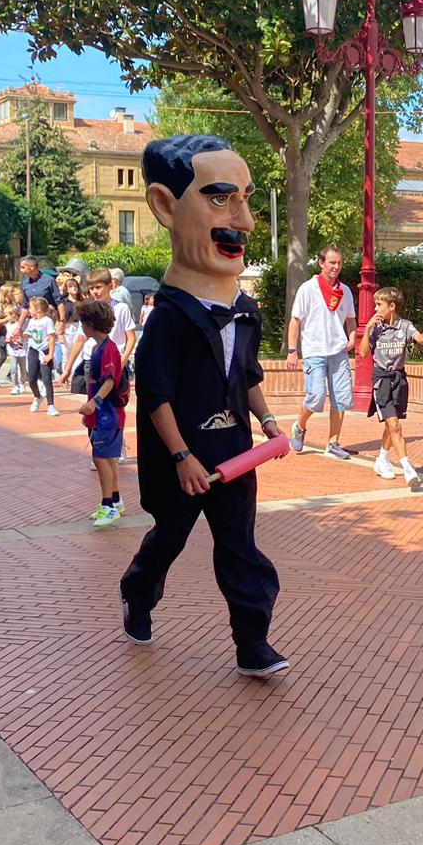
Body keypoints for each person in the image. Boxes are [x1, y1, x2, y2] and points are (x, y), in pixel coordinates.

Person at [119, 134, 288, 677]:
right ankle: (138, 594)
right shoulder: (168, 316)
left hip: (234, 451)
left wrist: (266, 421)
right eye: (220, 198)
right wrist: (182, 458)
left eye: (245, 199)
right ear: (167, 206)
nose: (244, 221)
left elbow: (247, 375)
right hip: (184, 461)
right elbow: (156, 394)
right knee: (168, 538)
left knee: (240, 549)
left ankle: (252, 646)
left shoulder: (245, 307)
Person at [286, 246, 357, 458]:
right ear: (321, 263)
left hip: (338, 351)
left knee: (341, 399)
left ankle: (333, 443)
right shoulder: (308, 289)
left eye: (339, 263)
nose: (336, 267)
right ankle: (299, 426)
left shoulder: (344, 291)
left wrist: (352, 337)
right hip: (314, 351)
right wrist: (292, 351)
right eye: (332, 262)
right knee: (316, 395)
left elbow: (351, 319)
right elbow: (295, 320)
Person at [360, 286, 423, 490]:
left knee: (392, 424)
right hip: (381, 378)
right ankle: (408, 468)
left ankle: (382, 459)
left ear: (392, 306)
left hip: (399, 378)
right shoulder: (376, 328)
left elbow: (417, 337)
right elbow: (364, 353)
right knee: (395, 426)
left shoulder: (405, 326)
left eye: (379, 305)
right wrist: (367, 330)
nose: (376, 308)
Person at [77, 299, 129, 529]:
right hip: (105, 413)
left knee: (100, 458)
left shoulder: (107, 349)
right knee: (108, 457)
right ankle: (115, 500)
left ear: (90, 324)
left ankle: (108, 504)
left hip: (107, 413)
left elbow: (109, 381)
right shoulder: (101, 347)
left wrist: (94, 403)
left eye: (82, 323)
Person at [23, 295, 60, 416]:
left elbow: (51, 338)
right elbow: (28, 333)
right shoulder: (31, 321)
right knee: (32, 379)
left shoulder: (47, 321)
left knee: (46, 379)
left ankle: (51, 405)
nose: (29, 310)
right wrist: (23, 334)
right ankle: (37, 396)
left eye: (31, 308)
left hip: (44, 350)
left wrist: (50, 354)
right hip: (33, 350)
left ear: (38, 310)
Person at [5, 303, 29, 394]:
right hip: (12, 350)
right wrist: (8, 340)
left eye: (9, 315)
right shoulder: (8, 325)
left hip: (22, 350)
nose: (7, 318)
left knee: (23, 369)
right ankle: (15, 385)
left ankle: (22, 383)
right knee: (13, 368)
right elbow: (8, 336)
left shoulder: (22, 324)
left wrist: (21, 333)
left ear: (14, 315)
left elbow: (25, 335)